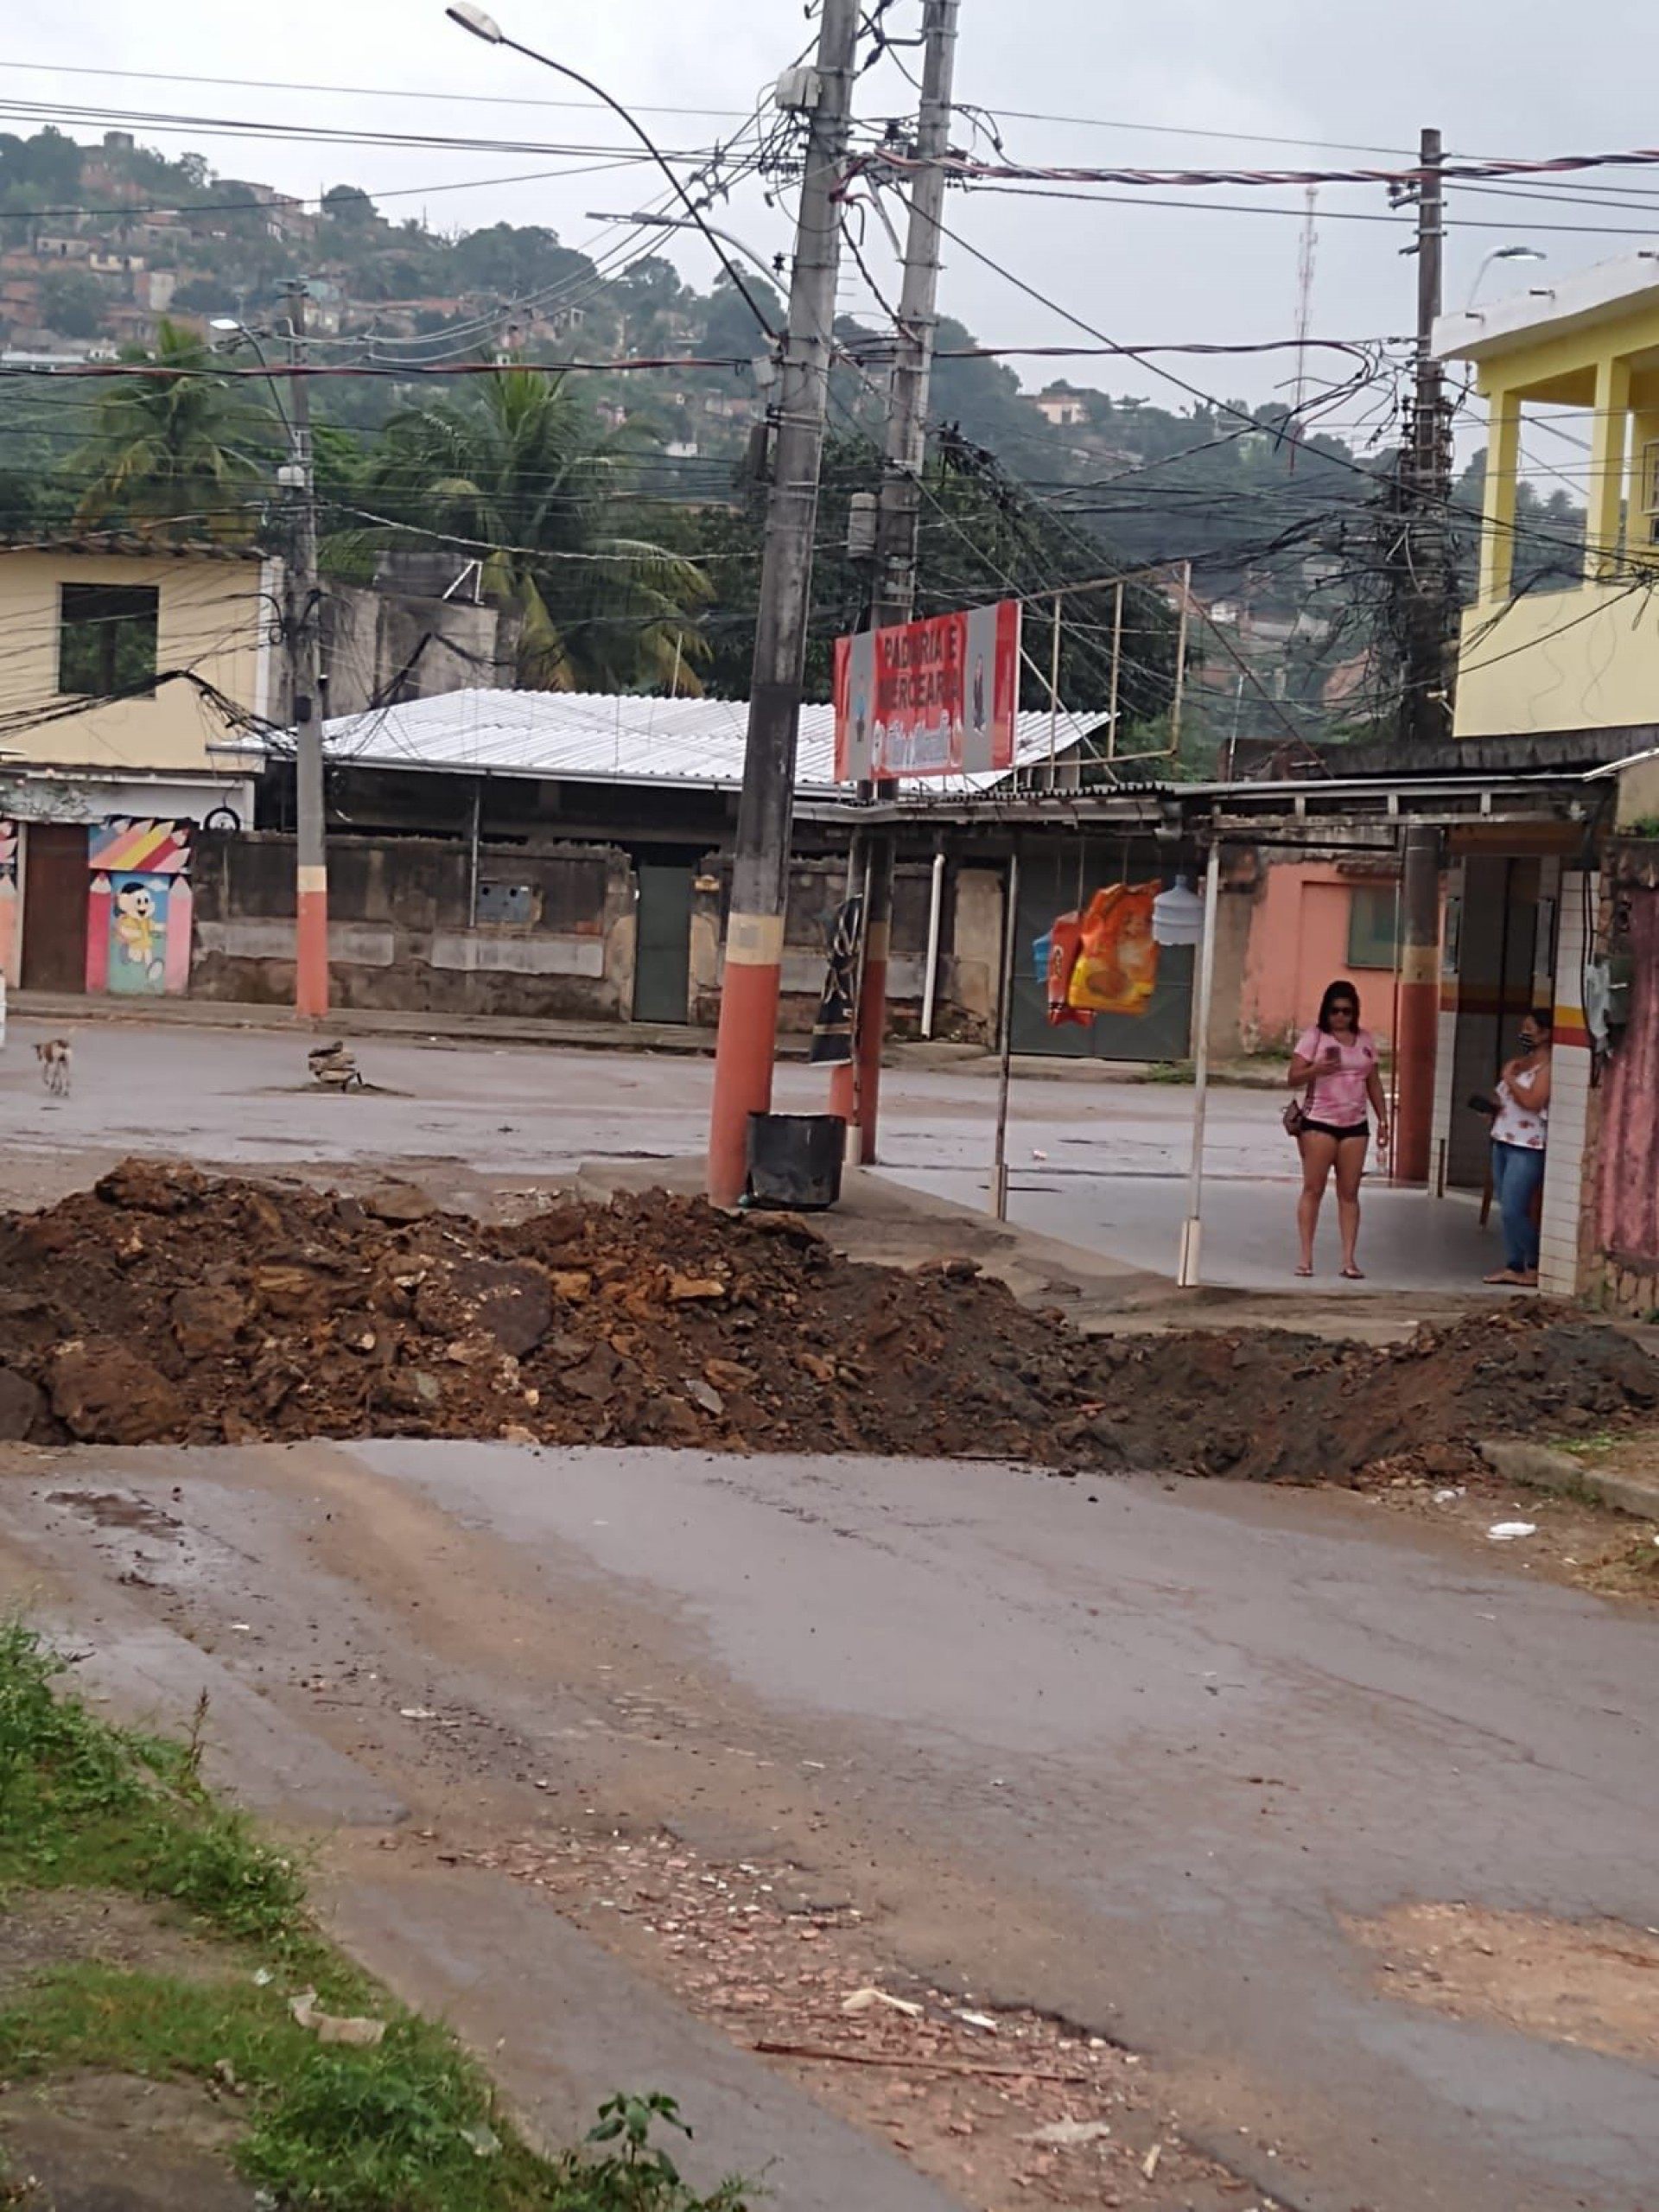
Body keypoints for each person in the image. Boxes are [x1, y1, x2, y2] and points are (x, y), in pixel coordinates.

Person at [1288, 982, 1389, 1280]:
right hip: (1320, 1121)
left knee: (1350, 1193)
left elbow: (1373, 1081)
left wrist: (1383, 1118)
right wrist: (1317, 1069)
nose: (1340, 1018)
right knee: (1314, 1188)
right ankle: (1306, 1257)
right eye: (1335, 1011)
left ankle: (1349, 1259)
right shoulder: (1314, 1037)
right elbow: (1292, 1077)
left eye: (1347, 1011)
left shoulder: (1365, 1040)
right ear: (1326, 1012)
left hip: (1355, 1124)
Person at [1484, 1009, 1553, 1287]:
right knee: (1505, 1206)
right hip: (1503, 1138)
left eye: (1530, 1029)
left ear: (1546, 1034)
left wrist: (1512, 1081)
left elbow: (1534, 1101)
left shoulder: (1548, 1069)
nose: (1525, 1034)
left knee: (1515, 1208)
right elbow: (1503, 1097)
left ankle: (1537, 1261)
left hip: (1528, 1146)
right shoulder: (1519, 1064)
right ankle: (1514, 1265)